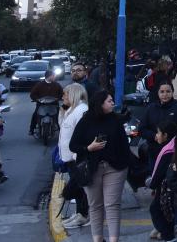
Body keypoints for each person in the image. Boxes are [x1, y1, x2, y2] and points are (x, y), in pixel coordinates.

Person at [69, 90, 129, 242]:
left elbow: (124, 144)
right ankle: (98, 239)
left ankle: (114, 239)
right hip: (92, 168)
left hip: (115, 168)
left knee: (112, 204)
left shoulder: (115, 119)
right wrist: (89, 148)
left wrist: (125, 162)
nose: (113, 103)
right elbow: (73, 145)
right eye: (109, 101)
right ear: (100, 103)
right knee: (95, 205)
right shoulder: (86, 120)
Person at [58, 84, 89, 229]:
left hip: (76, 157)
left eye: (65, 94)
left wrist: (77, 156)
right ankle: (79, 213)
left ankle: (83, 215)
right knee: (78, 189)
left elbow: (82, 135)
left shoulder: (81, 110)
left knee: (80, 188)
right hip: (69, 157)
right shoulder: (71, 110)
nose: (63, 97)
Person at [147, 120, 177, 242]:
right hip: (168, 187)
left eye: (158, 133)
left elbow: (160, 173)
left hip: (166, 188)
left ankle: (167, 235)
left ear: (165, 135)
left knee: (157, 209)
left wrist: (152, 185)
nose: (156, 135)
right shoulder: (171, 146)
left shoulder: (168, 151)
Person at [142, 82, 177, 150]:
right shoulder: (151, 108)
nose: (165, 94)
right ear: (158, 93)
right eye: (162, 92)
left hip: (173, 149)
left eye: (168, 91)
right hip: (153, 148)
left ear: (172, 92)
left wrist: (171, 138)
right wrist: (154, 136)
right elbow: (142, 129)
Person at [29, 68, 64, 136]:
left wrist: (58, 98)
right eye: (53, 75)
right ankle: (31, 129)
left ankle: (62, 131)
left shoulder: (57, 85)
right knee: (35, 115)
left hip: (54, 105)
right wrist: (37, 99)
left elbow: (62, 93)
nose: (54, 77)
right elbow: (32, 94)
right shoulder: (39, 85)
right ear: (49, 76)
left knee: (59, 117)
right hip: (41, 105)